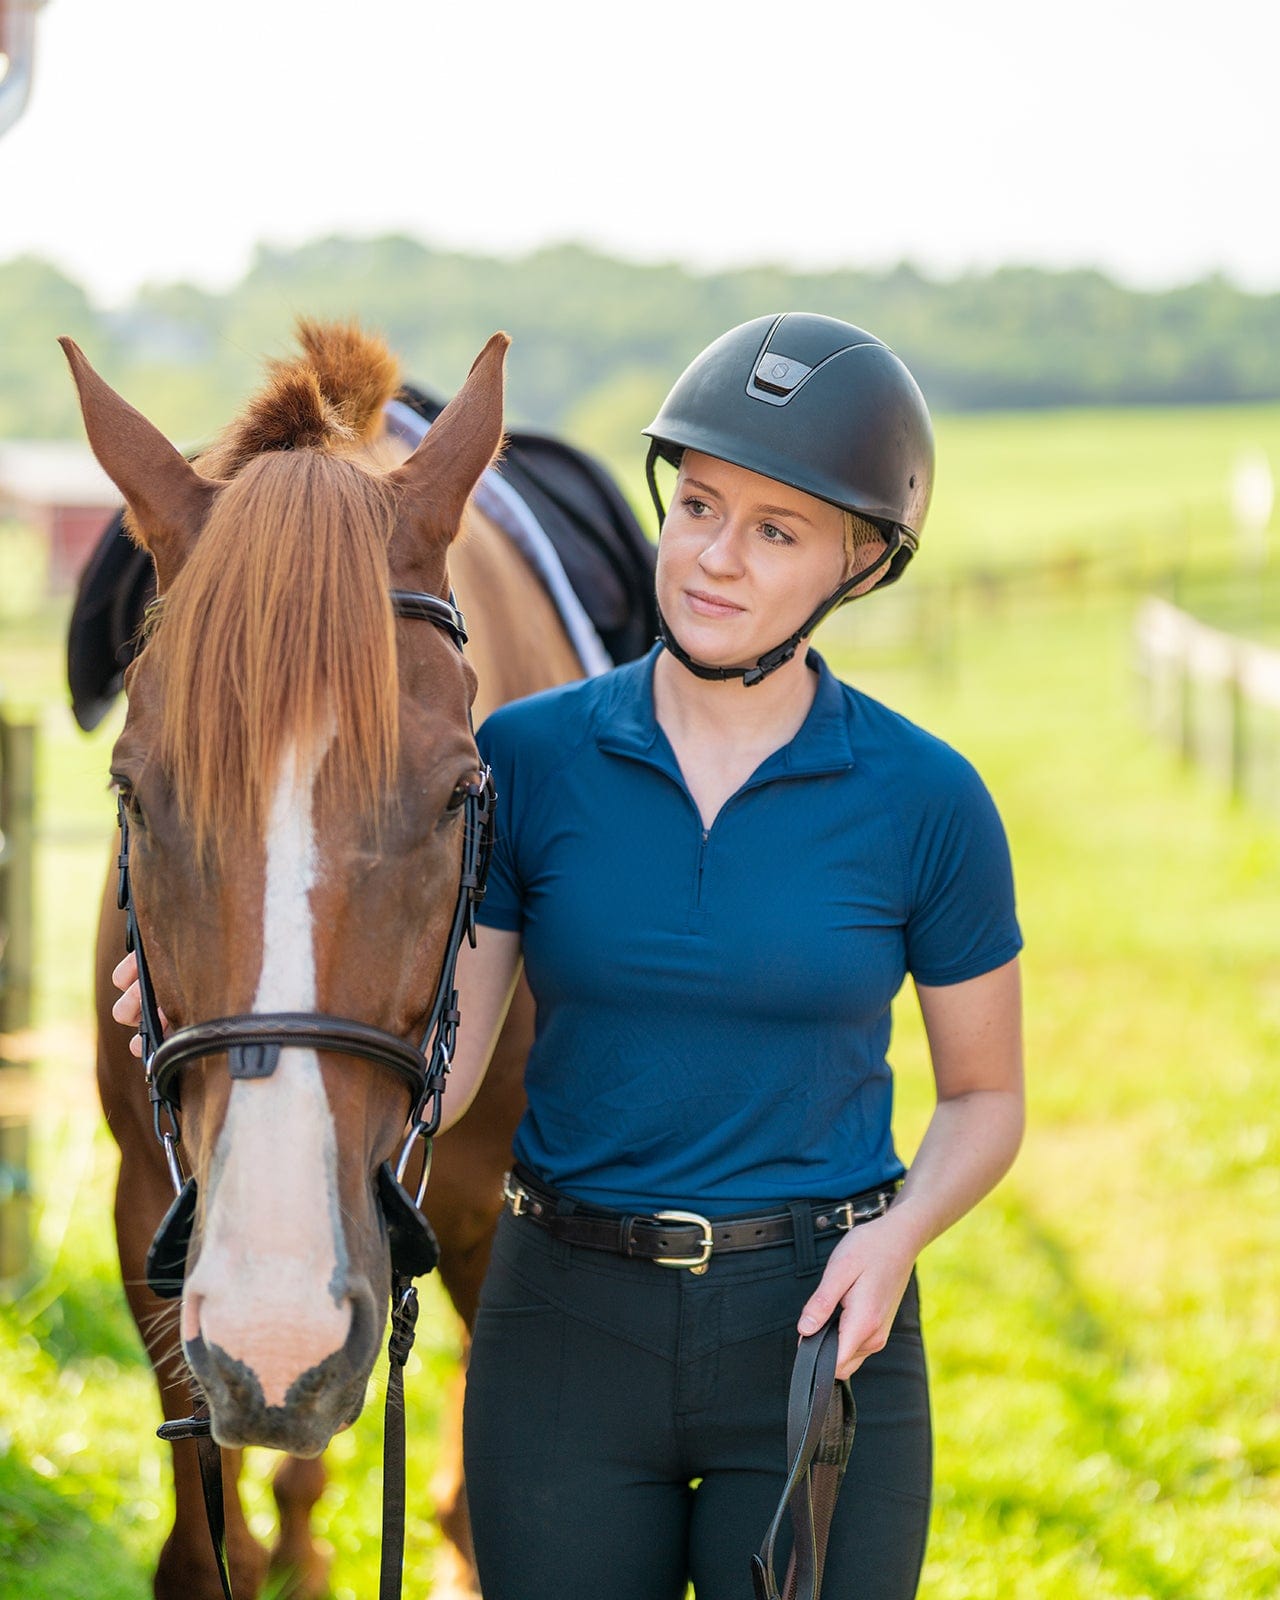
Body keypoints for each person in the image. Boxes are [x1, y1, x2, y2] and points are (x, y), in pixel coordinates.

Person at [115, 313, 1024, 1600]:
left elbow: (985, 1096)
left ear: (860, 560)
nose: (714, 557)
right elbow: (451, 1041)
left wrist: (897, 1238)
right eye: (699, 505)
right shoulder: (525, 759)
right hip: (565, 1330)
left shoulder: (928, 799)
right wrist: (229, 998)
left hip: (819, 1320)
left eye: (775, 531)